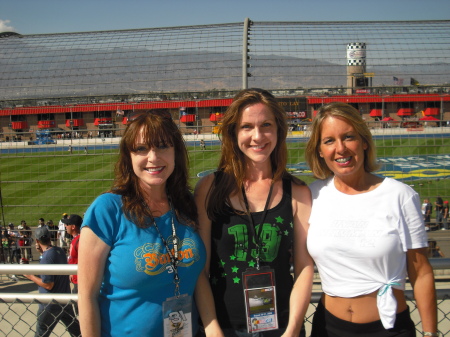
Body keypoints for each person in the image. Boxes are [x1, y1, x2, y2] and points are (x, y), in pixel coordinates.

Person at [305, 102, 437, 337]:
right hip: (327, 328)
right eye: (329, 141)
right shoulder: (311, 196)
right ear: (319, 150)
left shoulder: (400, 195)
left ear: (364, 142)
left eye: (348, 137)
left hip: (388, 328)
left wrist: (430, 333)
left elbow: (422, 272)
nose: (341, 149)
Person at [194, 88, 313, 336]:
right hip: (224, 327)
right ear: (233, 133)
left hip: (281, 327)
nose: (257, 136)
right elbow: (200, 269)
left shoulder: (298, 193)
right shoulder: (209, 189)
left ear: (279, 131)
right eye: (246, 126)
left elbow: (304, 268)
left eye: (266, 125)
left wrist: (291, 330)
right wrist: (213, 328)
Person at [78, 110, 206, 336]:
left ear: (176, 152)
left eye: (163, 146)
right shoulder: (108, 209)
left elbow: (199, 278)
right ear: (129, 156)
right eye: (141, 149)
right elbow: (87, 296)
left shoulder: (187, 205)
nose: (153, 157)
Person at [24, 226, 81, 337]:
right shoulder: (58, 251)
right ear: (50, 238)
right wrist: (42, 253)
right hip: (65, 300)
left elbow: (48, 284)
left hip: (50, 304)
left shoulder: (46, 258)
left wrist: (31, 276)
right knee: (75, 331)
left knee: (41, 331)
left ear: (37, 241)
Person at [62, 214, 82, 293]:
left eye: (67, 224)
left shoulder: (80, 240)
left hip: (79, 280)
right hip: (75, 277)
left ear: (73, 227)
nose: (65, 226)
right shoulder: (76, 239)